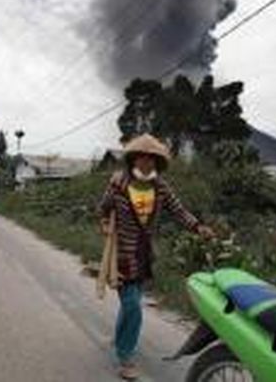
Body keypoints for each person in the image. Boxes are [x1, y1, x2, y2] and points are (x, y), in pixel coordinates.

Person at [96, 133, 215, 380]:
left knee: (131, 303)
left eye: (152, 158)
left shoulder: (160, 186)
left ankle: (120, 340)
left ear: (158, 162)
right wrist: (105, 224)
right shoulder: (118, 182)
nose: (146, 162)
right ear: (132, 159)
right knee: (133, 306)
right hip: (122, 255)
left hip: (145, 254)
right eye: (141, 157)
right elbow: (103, 209)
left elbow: (179, 210)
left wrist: (197, 227)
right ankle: (126, 357)